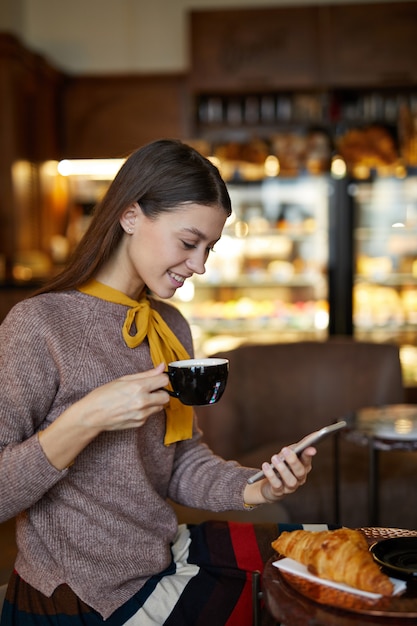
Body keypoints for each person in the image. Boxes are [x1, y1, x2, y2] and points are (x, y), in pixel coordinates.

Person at [0, 139, 315, 625]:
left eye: (209, 248)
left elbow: (179, 460)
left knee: (316, 567)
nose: (200, 265)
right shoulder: (39, 325)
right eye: (189, 243)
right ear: (130, 216)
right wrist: (86, 418)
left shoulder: (170, 326)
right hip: (77, 595)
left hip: (157, 560)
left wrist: (258, 487)